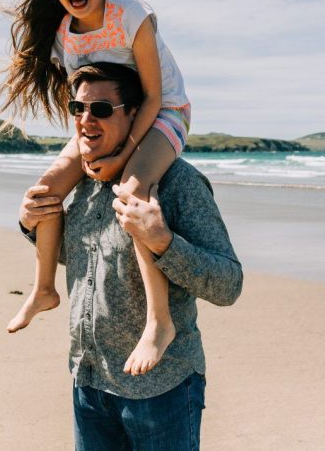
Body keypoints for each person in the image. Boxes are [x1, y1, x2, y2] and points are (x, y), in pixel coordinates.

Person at [19, 63, 242, 450]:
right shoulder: (81, 181)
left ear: (136, 115)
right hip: (89, 381)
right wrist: (31, 223)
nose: (86, 119)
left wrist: (163, 241)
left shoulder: (178, 182)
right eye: (78, 108)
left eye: (102, 109)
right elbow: (85, 259)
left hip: (162, 389)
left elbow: (228, 285)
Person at [0, 0, 191, 375]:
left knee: (133, 192)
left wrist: (120, 157)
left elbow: (154, 96)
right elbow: (82, 104)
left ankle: (159, 322)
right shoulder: (64, 35)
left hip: (163, 113)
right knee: (45, 191)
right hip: (108, 118)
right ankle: (44, 288)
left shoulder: (132, 15)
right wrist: (87, 148)